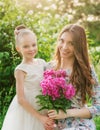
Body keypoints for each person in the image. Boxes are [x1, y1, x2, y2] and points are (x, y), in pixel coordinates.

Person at [47, 24, 100, 130]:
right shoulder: (48, 68)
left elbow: (98, 106)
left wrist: (66, 113)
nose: (64, 47)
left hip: (79, 125)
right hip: (53, 124)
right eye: (62, 41)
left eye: (71, 43)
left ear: (79, 46)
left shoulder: (86, 70)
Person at [1, 25, 54, 130]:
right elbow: (21, 99)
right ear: (18, 48)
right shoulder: (21, 70)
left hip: (42, 105)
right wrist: (40, 117)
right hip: (28, 110)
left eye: (34, 45)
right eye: (26, 46)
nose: (31, 49)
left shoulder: (42, 62)